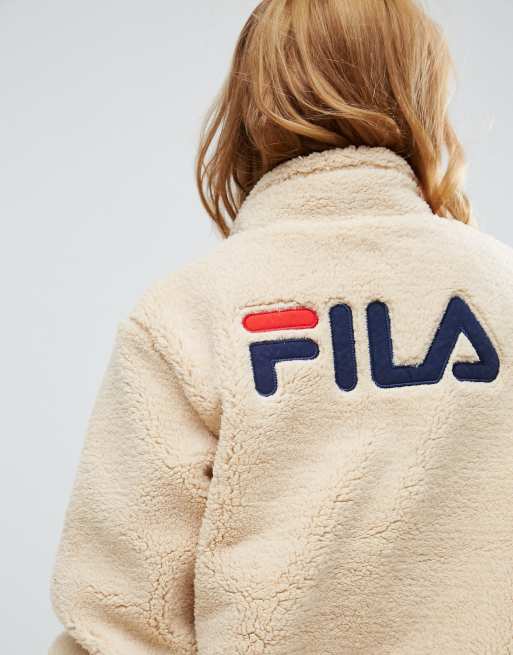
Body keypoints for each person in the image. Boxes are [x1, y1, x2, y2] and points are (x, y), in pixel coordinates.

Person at [49, 1, 513, 653]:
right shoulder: (502, 290)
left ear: (248, 102)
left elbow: (119, 618)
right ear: (421, 89)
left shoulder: (190, 313)